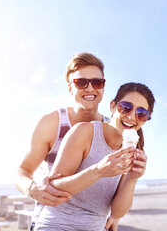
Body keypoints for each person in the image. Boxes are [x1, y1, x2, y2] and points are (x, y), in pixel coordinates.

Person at [15, 52, 120, 230]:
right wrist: (32, 189)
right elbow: (22, 170)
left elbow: (117, 180)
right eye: (81, 82)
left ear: (103, 87)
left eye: (97, 82)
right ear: (70, 88)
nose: (89, 88)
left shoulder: (111, 128)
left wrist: (115, 216)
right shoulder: (52, 123)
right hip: (51, 222)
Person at [34, 82, 155, 231]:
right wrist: (98, 171)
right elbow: (54, 187)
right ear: (112, 106)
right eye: (126, 107)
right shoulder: (84, 132)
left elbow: (117, 212)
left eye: (141, 113)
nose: (131, 116)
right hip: (57, 225)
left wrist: (132, 179)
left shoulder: (132, 149)